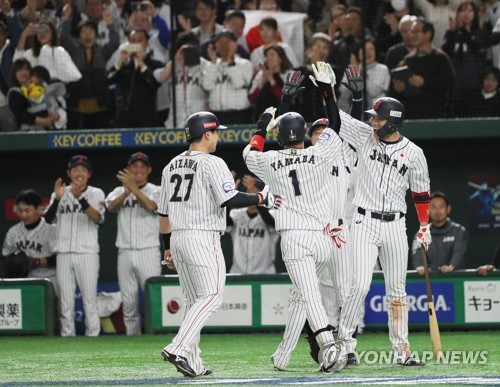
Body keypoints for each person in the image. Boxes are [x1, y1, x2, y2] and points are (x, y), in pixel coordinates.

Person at [311, 61, 431, 366]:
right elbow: (337, 122)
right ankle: (346, 344)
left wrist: (425, 225)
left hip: (395, 224)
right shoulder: (365, 135)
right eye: (374, 118)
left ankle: (401, 350)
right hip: (363, 221)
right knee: (358, 286)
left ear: (393, 121)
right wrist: (329, 91)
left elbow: (420, 193)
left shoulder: (414, 153)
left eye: (378, 119)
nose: (374, 123)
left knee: (397, 291)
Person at [158, 111, 284, 378]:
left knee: (195, 301)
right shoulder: (212, 162)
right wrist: (261, 198)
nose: (217, 137)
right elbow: (229, 199)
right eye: (216, 132)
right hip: (202, 236)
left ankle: (193, 361)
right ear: (206, 134)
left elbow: (163, 214)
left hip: (178, 237)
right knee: (212, 296)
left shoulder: (170, 165)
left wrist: (167, 247)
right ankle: (178, 347)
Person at [243, 80, 349, 372]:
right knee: (301, 296)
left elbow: (248, 154)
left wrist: (262, 126)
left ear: (279, 137)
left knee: (310, 295)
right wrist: (327, 92)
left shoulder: (270, 159)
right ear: (305, 133)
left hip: (295, 240)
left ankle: (328, 347)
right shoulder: (319, 153)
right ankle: (284, 354)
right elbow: (336, 125)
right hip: (322, 240)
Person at [44, 155, 106, 337]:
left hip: (87, 253)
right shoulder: (59, 193)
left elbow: (98, 218)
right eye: (76, 169)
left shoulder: (96, 193)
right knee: (65, 300)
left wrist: (80, 198)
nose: (80, 173)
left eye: (83, 169)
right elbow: (47, 220)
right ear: (69, 173)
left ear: (89, 174)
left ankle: (93, 336)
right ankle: (67, 336)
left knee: (89, 299)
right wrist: (56, 199)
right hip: (63, 253)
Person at [105, 152, 161, 336]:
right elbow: (110, 207)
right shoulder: (118, 191)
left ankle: (155, 337)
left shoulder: (156, 189)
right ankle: (133, 339)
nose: (138, 169)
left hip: (148, 251)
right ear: (128, 169)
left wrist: (134, 190)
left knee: (153, 299)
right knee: (128, 302)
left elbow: (152, 207)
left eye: (142, 166)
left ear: (148, 170)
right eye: (134, 166)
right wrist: (126, 192)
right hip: (125, 251)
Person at [391, 18, 456, 119]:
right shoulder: (407, 60)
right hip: (412, 117)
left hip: (436, 115)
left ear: (428, 34)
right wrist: (397, 89)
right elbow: (395, 92)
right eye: (411, 31)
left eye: (416, 31)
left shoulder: (440, 57)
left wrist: (424, 82)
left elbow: (449, 83)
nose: (411, 35)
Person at [107, 28, 163, 128]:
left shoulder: (155, 64)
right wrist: (120, 61)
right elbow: (107, 79)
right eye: (133, 41)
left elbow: (153, 84)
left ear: (147, 43)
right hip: (126, 119)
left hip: (147, 120)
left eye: (140, 40)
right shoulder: (126, 67)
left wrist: (141, 63)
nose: (136, 44)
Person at [2, 189, 57, 290]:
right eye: (20, 210)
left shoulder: (51, 230)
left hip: (47, 282)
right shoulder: (13, 231)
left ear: (38, 209)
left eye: (27, 210)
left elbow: (59, 259)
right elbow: (5, 257)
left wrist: (36, 261)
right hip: (21, 284)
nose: (23, 215)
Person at [227, 174, 279, 274]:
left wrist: (257, 198)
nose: (252, 193)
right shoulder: (237, 214)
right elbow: (227, 222)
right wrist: (229, 196)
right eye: (250, 191)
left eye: (256, 192)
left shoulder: (272, 215)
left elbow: (270, 221)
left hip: (265, 277)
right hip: (238, 275)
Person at [202, 29, 253, 124]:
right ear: (216, 45)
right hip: (216, 115)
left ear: (235, 44)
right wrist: (213, 62)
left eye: (227, 42)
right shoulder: (211, 65)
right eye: (220, 42)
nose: (223, 45)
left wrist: (230, 61)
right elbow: (207, 86)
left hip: (239, 115)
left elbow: (238, 84)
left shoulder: (245, 64)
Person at [411, 191, 467, 275]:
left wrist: (451, 266)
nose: (437, 211)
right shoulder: (421, 233)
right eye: (433, 207)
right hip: (430, 281)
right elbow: (417, 255)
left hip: (454, 279)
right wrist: (419, 267)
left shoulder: (459, 230)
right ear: (428, 210)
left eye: (441, 207)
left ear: (448, 209)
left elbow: (458, 252)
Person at [248, 45, 294, 119]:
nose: (269, 58)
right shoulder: (261, 74)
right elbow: (252, 98)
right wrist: (263, 79)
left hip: (284, 119)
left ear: (281, 59)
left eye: (272, 54)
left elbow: (286, 99)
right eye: (267, 55)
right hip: (262, 119)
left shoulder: (290, 74)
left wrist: (271, 79)